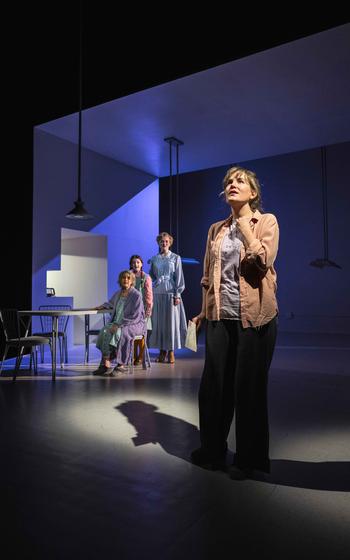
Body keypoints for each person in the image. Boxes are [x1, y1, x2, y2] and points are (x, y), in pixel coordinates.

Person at [191, 166, 279, 480]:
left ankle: (249, 460)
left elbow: (262, 262)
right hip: (218, 318)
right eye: (229, 181)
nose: (232, 184)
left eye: (240, 181)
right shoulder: (215, 229)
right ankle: (212, 451)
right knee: (213, 389)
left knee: (249, 390)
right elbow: (206, 278)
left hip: (254, 319)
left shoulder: (266, 222)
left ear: (253, 192)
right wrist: (203, 312)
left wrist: (245, 227)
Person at [92, 270, 145, 376]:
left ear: (132, 281)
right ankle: (105, 363)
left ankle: (121, 365)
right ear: (120, 280)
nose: (125, 280)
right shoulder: (118, 293)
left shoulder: (136, 295)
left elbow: (136, 316)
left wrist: (119, 325)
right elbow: (110, 303)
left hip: (133, 323)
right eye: (123, 278)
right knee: (105, 330)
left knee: (120, 333)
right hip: (117, 322)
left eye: (128, 278)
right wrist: (102, 306)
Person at [148, 232, 187, 364]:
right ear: (158, 243)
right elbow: (151, 276)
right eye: (161, 241)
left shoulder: (175, 258)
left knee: (171, 324)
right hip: (158, 294)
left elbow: (179, 277)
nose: (163, 243)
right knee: (159, 324)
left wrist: (177, 294)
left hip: (171, 294)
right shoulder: (155, 259)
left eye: (166, 241)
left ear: (169, 243)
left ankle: (171, 351)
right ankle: (161, 352)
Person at [129, 254, 153, 365]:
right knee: (133, 334)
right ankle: (134, 356)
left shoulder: (146, 277)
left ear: (141, 264)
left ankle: (140, 357)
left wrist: (148, 310)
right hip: (131, 309)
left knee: (142, 335)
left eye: (138, 262)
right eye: (133, 263)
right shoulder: (128, 276)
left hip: (142, 309)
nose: (136, 264)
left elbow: (148, 295)